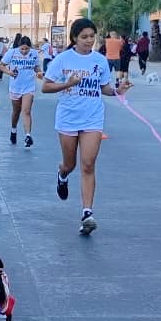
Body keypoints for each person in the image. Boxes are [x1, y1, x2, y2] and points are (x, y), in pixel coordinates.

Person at [42, 18, 133, 235]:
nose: (89, 41)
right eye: (84, 37)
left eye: (92, 36)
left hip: (92, 118)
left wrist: (119, 90)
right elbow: (45, 87)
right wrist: (68, 84)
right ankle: (62, 175)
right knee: (70, 164)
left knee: (88, 164)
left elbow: (105, 88)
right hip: (68, 118)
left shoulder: (100, 61)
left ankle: (87, 213)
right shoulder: (63, 59)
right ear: (74, 38)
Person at [0, 34, 42, 148]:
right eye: (22, 49)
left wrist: (39, 72)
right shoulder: (12, 53)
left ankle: (28, 136)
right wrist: (9, 73)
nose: (24, 51)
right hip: (15, 87)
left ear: (30, 47)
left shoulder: (34, 54)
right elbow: (0, 65)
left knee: (26, 111)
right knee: (16, 111)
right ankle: (13, 130)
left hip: (29, 87)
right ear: (18, 47)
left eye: (26, 49)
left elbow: (36, 67)